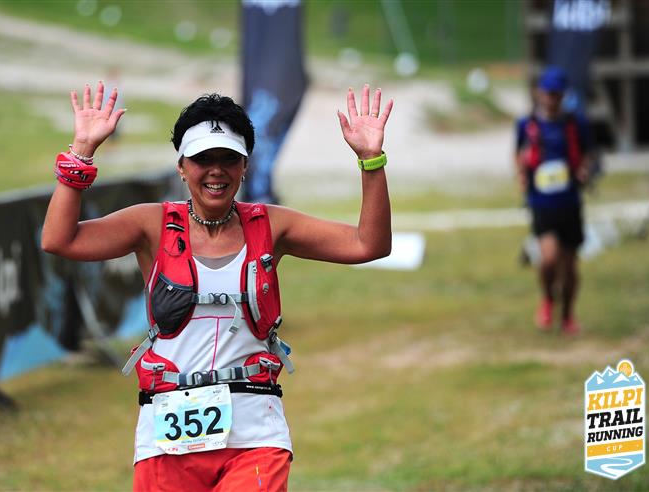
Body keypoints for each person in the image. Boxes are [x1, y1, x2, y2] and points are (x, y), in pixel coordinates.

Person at [41, 81, 393, 491]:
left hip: (255, 433)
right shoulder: (150, 225)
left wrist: (371, 160)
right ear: (181, 166)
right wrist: (82, 151)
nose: (216, 170)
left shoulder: (272, 225)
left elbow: (369, 244)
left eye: (229, 158)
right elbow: (59, 240)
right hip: (167, 434)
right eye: (202, 158)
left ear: (245, 167)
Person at [515, 66, 593, 335]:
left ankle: (568, 315)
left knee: (569, 267)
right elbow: (518, 153)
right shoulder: (527, 125)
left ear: (563, 95)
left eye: (556, 94)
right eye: (548, 93)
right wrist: (521, 175)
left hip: (569, 202)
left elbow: (590, 153)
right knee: (548, 259)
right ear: (539, 93)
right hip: (541, 203)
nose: (551, 99)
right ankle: (548, 299)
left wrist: (584, 169)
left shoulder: (576, 123)